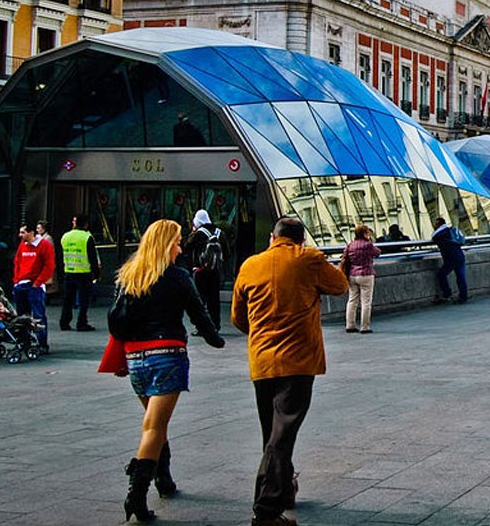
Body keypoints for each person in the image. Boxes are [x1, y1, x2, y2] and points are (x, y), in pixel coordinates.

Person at [231, 217, 348, 526]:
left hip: (262, 362)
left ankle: (284, 490)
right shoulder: (308, 259)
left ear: (272, 238)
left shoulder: (250, 265)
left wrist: (261, 335)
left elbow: (237, 317)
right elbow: (340, 285)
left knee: (273, 432)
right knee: (282, 435)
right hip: (297, 361)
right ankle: (265, 510)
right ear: (301, 240)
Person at [113, 219, 224, 522]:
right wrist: (216, 339)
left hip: (136, 358)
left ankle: (164, 477)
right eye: (176, 242)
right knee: (153, 427)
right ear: (165, 245)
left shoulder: (130, 274)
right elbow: (198, 313)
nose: (180, 248)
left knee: (156, 422)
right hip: (166, 355)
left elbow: (117, 319)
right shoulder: (177, 276)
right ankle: (136, 495)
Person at [183, 210, 228, 333]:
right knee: (214, 300)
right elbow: (227, 251)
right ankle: (216, 325)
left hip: (200, 271)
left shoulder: (198, 234)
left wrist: (193, 233)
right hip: (215, 272)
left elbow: (186, 248)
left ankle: (201, 327)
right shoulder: (219, 233)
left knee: (200, 301)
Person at [12, 223, 54, 351]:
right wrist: (16, 280)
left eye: (23, 232)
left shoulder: (44, 245)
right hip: (21, 284)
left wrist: (38, 283)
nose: (20, 235)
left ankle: (42, 344)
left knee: (38, 316)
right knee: (22, 316)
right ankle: (24, 341)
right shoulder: (22, 245)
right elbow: (17, 262)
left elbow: (49, 266)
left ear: (30, 233)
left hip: (35, 286)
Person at [59, 213, 101, 331]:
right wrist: (96, 274)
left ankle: (64, 322)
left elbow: (61, 255)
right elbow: (92, 257)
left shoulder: (65, 236)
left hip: (69, 271)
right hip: (83, 273)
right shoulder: (87, 237)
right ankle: (81, 323)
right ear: (86, 224)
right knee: (83, 301)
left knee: (67, 299)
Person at [342, 224, 381, 334]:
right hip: (366, 274)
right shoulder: (367, 245)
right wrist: (370, 240)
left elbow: (345, 256)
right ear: (365, 233)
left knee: (352, 300)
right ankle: (364, 327)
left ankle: (350, 325)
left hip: (352, 275)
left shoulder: (351, 245)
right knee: (366, 302)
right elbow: (378, 253)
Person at [430, 217, 468, 304]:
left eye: (436, 224)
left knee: (441, 274)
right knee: (461, 277)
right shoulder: (450, 231)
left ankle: (447, 294)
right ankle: (463, 296)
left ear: (439, 225)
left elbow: (434, 237)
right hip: (460, 255)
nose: (434, 226)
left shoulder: (441, 233)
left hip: (451, 258)